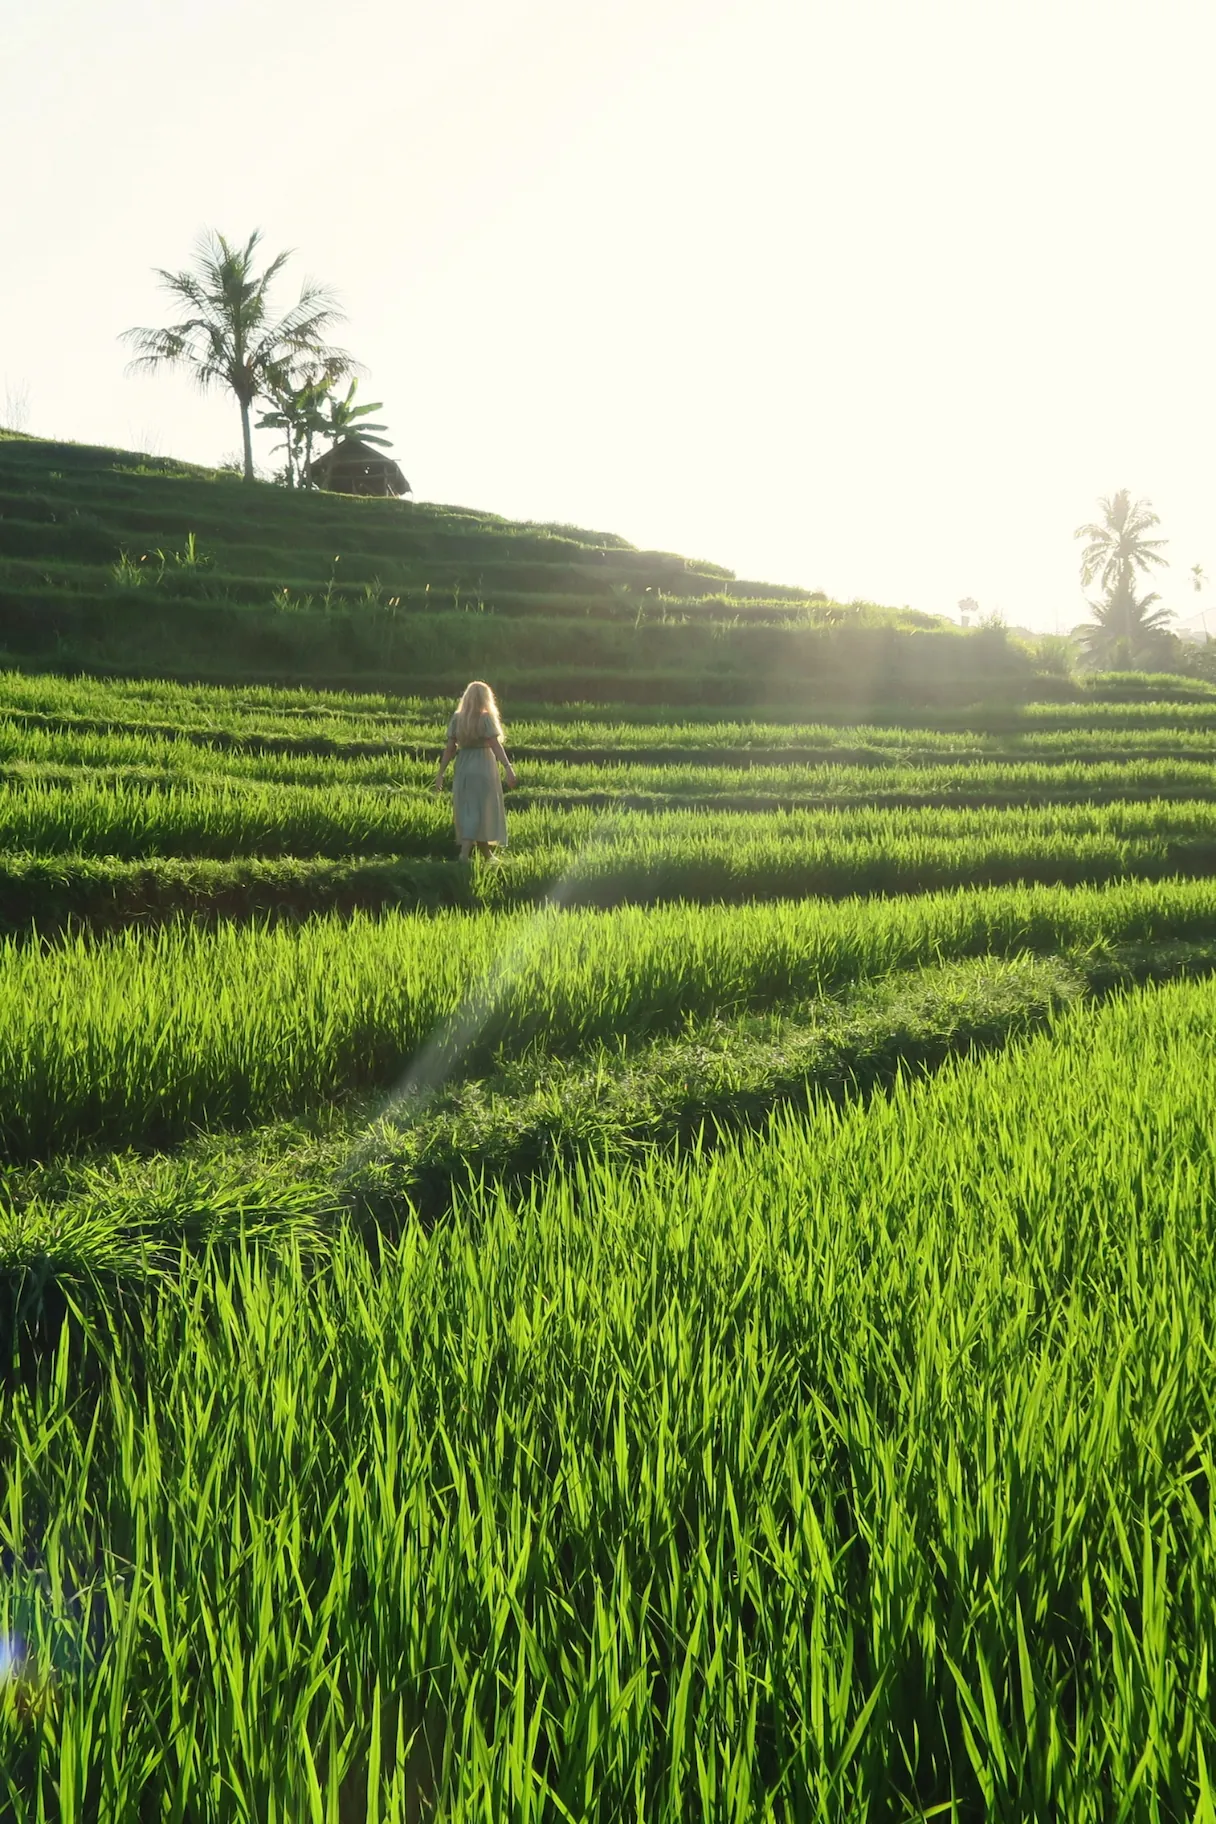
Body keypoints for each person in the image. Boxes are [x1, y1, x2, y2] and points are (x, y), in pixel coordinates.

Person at [433, 679, 517, 861]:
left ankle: (487, 854)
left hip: (463, 764)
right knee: (481, 809)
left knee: (471, 808)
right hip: (483, 764)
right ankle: (464, 854)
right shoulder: (486, 718)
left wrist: (441, 773)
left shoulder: (457, 718)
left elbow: (450, 748)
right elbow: (495, 745)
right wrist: (508, 768)